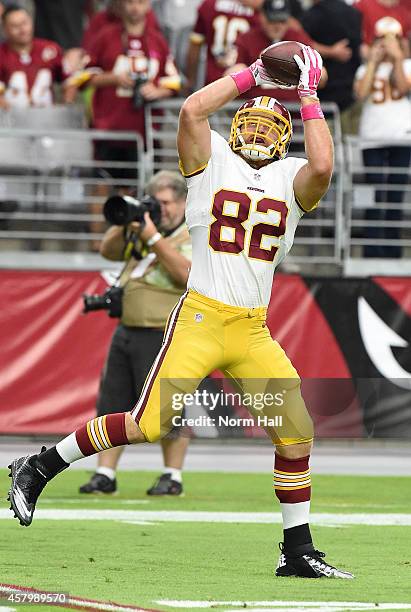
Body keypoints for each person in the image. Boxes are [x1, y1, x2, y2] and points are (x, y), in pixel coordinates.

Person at [8, 42, 354, 579]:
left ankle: (298, 549)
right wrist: (253, 75)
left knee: (295, 429)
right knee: (150, 424)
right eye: (253, 122)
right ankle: (39, 466)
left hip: (251, 329)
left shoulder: (293, 178)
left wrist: (308, 96)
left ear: (284, 137)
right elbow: (193, 108)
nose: (260, 131)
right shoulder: (209, 159)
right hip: (201, 317)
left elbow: (325, 162)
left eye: (271, 125)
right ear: (237, 125)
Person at [79, 170, 191, 496]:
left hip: (164, 334)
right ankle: (105, 473)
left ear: (183, 201)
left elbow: (186, 275)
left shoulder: (192, 233)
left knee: (168, 408)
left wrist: (154, 236)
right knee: (111, 404)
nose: (162, 209)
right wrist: (128, 222)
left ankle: (172, 476)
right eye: (156, 202)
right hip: (127, 329)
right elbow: (106, 250)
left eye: (167, 203)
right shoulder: (139, 230)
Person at [354, 16, 411, 258]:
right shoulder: (364, 69)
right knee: (374, 192)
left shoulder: (407, 65)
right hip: (372, 138)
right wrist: (373, 63)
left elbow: (403, 87)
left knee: (395, 193)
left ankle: (392, 249)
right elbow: (360, 94)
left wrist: (398, 58)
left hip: (401, 137)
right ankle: (372, 249)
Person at [300, 0, 362, 133]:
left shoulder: (313, 14)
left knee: (326, 144)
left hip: (324, 91)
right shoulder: (354, 13)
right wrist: (333, 52)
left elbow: (302, 46)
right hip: (348, 91)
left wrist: (329, 51)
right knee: (350, 146)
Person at [0, 5, 74, 109]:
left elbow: (70, 80)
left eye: (24, 23)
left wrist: (66, 103)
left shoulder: (50, 49)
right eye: (15, 26)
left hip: (46, 118)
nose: (22, 30)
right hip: (11, 120)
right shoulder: (2, 54)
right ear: (5, 30)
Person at [184, 0, 259, 92]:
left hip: (215, 83)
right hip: (245, 84)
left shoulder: (209, 5)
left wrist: (190, 79)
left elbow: (195, 47)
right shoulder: (257, 8)